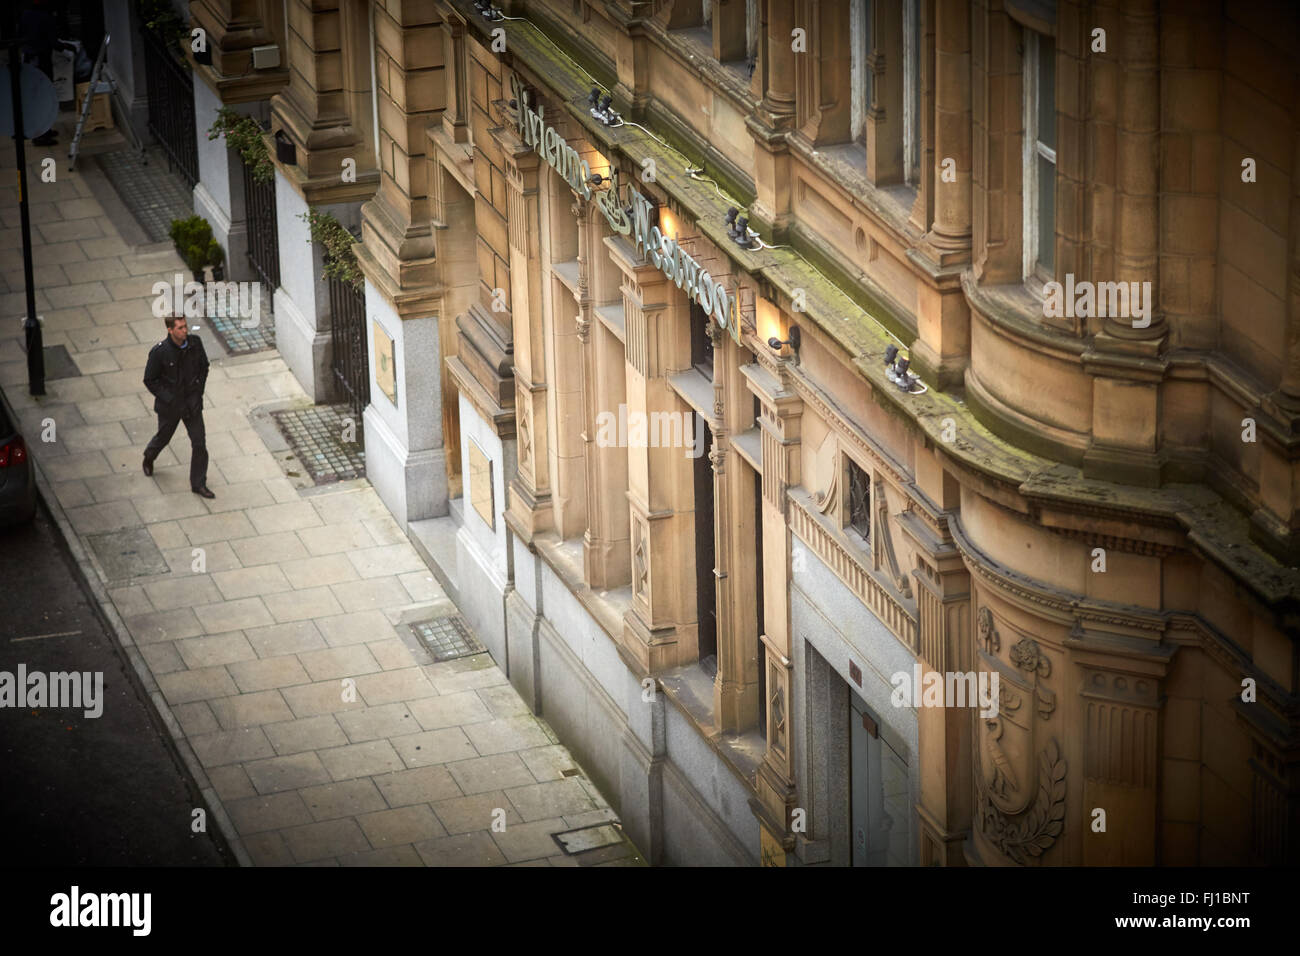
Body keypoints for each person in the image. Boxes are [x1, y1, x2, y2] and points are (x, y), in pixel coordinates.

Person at [142, 315, 214, 498]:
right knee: (163, 437)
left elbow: (204, 367)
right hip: (171, 406)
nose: (185, 331)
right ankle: (149, 456)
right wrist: (169, 398)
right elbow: (150, 380)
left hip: (191, 404)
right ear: (170, 330)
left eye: (185, 326)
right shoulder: (160, 352)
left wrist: (198, 392)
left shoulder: (194, 343)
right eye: (180, 328)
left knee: (199, 443)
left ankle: (198, 483)